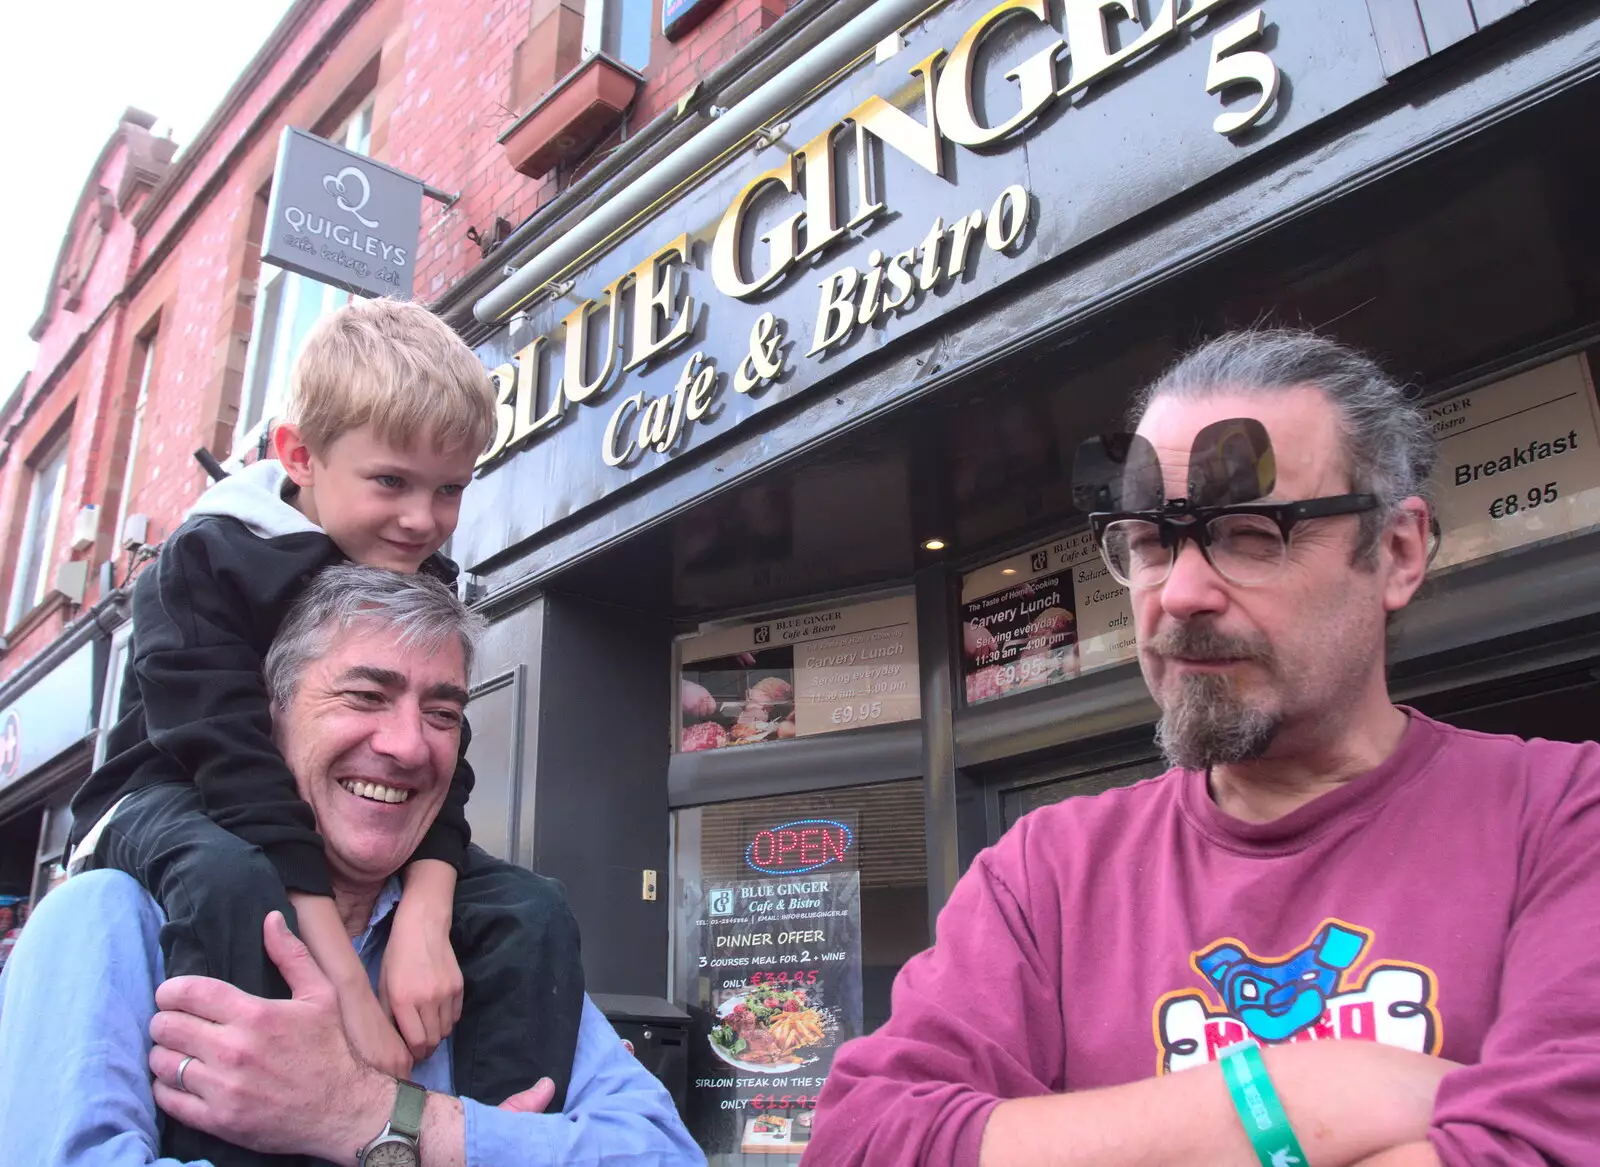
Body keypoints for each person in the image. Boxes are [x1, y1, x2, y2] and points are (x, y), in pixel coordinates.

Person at [806, 330, 1600, 1166]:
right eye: (1150, 541)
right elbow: (865, 1141)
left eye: (1251, 532)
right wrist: (1296, 1098)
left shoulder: (1562, 816)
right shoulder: (1044, 874)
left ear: (1397, 551)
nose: (1179, 594)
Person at [63, 298, 582, 1164]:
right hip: (169, 796)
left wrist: (425, 911)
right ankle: (226, 1137)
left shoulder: (420, 573)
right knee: (232, 886)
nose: (423, 519)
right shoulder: (204, 559)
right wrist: (345, 981)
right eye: (391, 482)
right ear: (298, 454)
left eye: (449, 488)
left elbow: (441, 766)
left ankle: (495, 1129)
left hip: (289, 825)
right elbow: (233, 770)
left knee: (532, 910)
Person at [0, 565, 704, 1166]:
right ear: (270, 716)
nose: (406, 745)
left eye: (441, 712)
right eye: (365, 696)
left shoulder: (497, 943)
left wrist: (371, 1114)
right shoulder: (109, 921)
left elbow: (664, 1153)